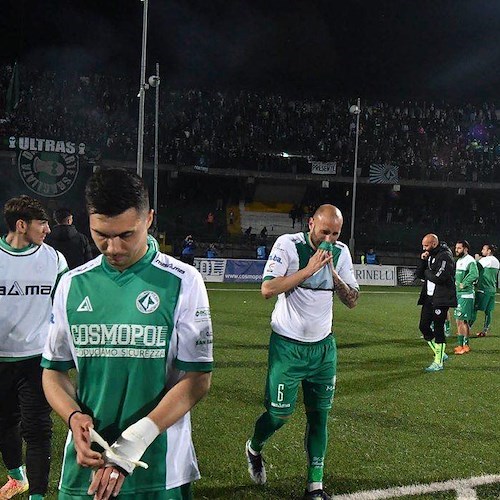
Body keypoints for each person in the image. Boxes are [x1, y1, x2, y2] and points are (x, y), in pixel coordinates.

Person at [41, 169, 213, 500]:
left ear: (149, 219)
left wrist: (132, 444)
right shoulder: (72, 284)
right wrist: (73, 416)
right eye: (101, 234)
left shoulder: (183, 281)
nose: (113, 247)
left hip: (158, 468)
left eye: (126, 234)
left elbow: (197, 380)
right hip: (86, 467)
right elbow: (53, 370)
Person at [245, 204, 359, 500]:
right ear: (311, 224)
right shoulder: (289, 245)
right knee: (278, 416)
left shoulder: (341, 252)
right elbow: (268, 288)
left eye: (335, 233)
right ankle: (254, 447)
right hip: (288, 347)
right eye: (325, 232)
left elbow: (352, 300)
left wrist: (333, 273)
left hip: (323, 350)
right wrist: (310, 270)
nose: (329, 239)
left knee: (319, 416)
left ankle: (315, 487)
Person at [0, 195, 68, 500]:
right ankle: (17, 477)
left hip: (37, 360)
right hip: (1, 358)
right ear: (21, 224)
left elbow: (66, 308)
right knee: (4, 423)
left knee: (38, 430)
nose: (48, 230)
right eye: (42, 223)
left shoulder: (54, 259)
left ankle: (37, 495)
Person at [416, 234, 456, 372]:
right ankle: (441, 353)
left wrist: (427, 272)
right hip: (429, 297)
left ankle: (438, 362)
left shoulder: (445, 256)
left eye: (426, 245)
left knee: (439, 329)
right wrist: (422, 262)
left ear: (434, 244)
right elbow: (420, 275)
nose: (424, 248)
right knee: (423, 326)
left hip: (442, 298)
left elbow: (439, 277)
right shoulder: (430, 256)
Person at [453, 240, 479, 355]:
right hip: (459, 294)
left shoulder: (470, 260)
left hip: (466, 294)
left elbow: (474, 274)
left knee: (461, 321)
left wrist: (464, 283)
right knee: (460, 320)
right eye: (456, 248)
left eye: (459, 248)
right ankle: (462, 345)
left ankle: (465, 345)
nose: (456, 250)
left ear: (465, 249)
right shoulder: (459, 261)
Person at [472, 243, 499, 337]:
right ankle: (485, 330)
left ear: (489, 251)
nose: (482, 251)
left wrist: (476, 260)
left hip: (483, 288)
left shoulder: (485, 260)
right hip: (492, 289)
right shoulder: (496, 261)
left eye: (484, 249)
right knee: (488, 311)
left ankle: (467, 328)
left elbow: (475, 269)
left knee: (474, 309)